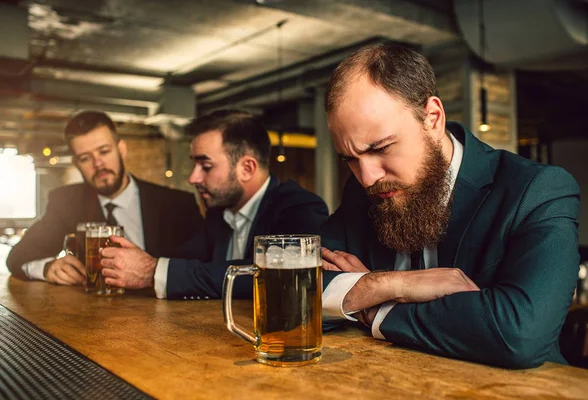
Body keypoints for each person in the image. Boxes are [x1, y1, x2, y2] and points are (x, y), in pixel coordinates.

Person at [320, 44, 580, 369]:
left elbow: (519, 335)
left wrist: (376, 310)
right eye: (350, 159)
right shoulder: (363, 193)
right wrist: (387, 284)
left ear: (433, 118)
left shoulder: (538, 190)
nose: (368, 178)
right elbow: (291, 284)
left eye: (381, 148)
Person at [99, 109, 329, 299]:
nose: (193, 178)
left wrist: (152, 271)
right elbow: (187, 259)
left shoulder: (300, 208)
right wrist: (128, 263)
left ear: (247, 168)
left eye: (206, 167)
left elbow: (272, 279)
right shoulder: (218, 213)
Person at [7, 111, 204, 285]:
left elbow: (202, 266)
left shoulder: (177, 204)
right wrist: (47, 268)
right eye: (85, 158)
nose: (98, 164)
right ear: (76, 163)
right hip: (93, 318)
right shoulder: (66, 202)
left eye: (104, 151)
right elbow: (18, 256)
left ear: (122, 149)